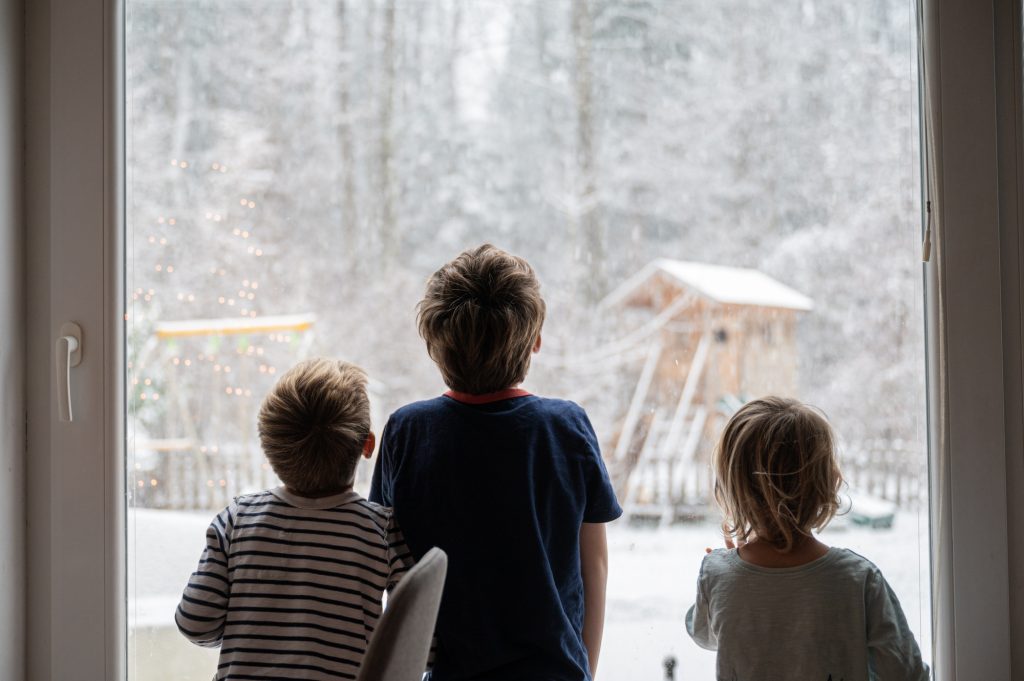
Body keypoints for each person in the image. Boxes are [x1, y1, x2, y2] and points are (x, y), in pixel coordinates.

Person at [370, 244, 622, 681]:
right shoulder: (566, 426)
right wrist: (585, 670)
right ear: (536, 340)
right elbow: (594, 564)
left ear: (433, 343)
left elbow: (388, 566)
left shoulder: (407, 431)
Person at [175, 358, 413, 680]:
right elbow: (417, 645)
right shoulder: (382, 531)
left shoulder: (236, 521)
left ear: (269, 449)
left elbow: (195, 621)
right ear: (367, 446)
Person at [686, 396, 929, 681]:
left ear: (731, 489)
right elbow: (906, 673)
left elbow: (704, 634)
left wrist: (730, 567)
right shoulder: (858, 578)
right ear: (829, 482)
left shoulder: (717, 575)